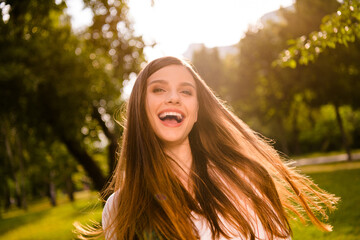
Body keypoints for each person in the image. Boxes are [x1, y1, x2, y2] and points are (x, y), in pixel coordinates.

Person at [98, 56, 338, 240]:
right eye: (159, 89)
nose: (174, 97)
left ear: (197, 113)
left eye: (186, 91)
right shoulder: (119, 208)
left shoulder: (246, 179)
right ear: (140, 107)